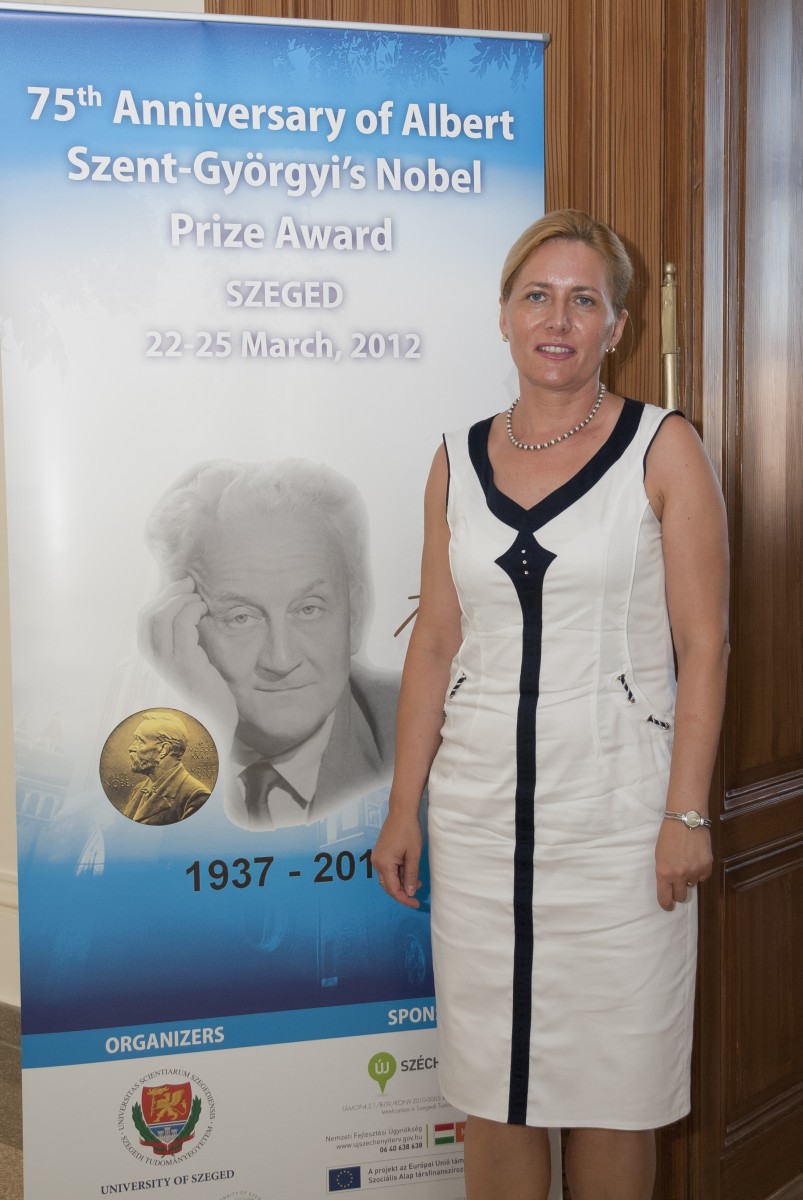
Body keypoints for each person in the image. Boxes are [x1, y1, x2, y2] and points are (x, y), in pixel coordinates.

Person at [372, 209, 729, 1200]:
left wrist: (685, 812)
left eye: (582, 300)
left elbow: (703, 645)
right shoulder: (456, 459)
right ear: (503, 315)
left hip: (621, 829)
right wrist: (403, 806)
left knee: (615, 1093)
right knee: (492, 1090)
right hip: (480, 826)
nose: (556, 319)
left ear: (616, 326)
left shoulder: (663, 449)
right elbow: (434, 641)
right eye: (536, 296)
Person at [138, 458, 398, 831]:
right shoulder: (146, 748)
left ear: (354, 616)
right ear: (185, 627)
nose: (281, 659)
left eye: (308, 609)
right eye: (241, 617)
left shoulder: (430, 737)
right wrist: (206, 732)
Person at [124, 711, 210, 825]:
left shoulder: (196, 796)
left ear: (163, 750)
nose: (131, 748)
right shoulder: (139, 789)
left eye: (140, 741)